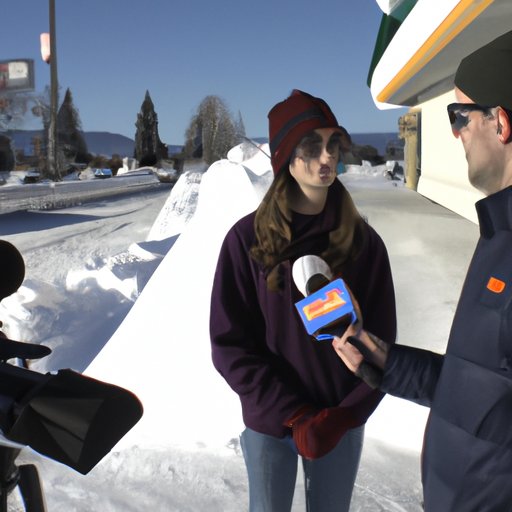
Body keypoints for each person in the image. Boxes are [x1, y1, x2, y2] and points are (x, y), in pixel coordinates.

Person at [333, 30, 512, 512]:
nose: (455, 131)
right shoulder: (498, 233)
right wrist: (389, 364)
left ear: (501, 122)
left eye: (460, 115)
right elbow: (479, 391)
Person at [209, 89, 396, 511]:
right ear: (285, 156)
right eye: (311, 146)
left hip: (339, 423)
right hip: (270, 421)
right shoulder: (247, 241)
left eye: (333, 144)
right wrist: (293, 415)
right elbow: (230, 345)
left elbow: (383, 344)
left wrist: (345, 414)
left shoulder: (364, 244)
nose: (326, 157)